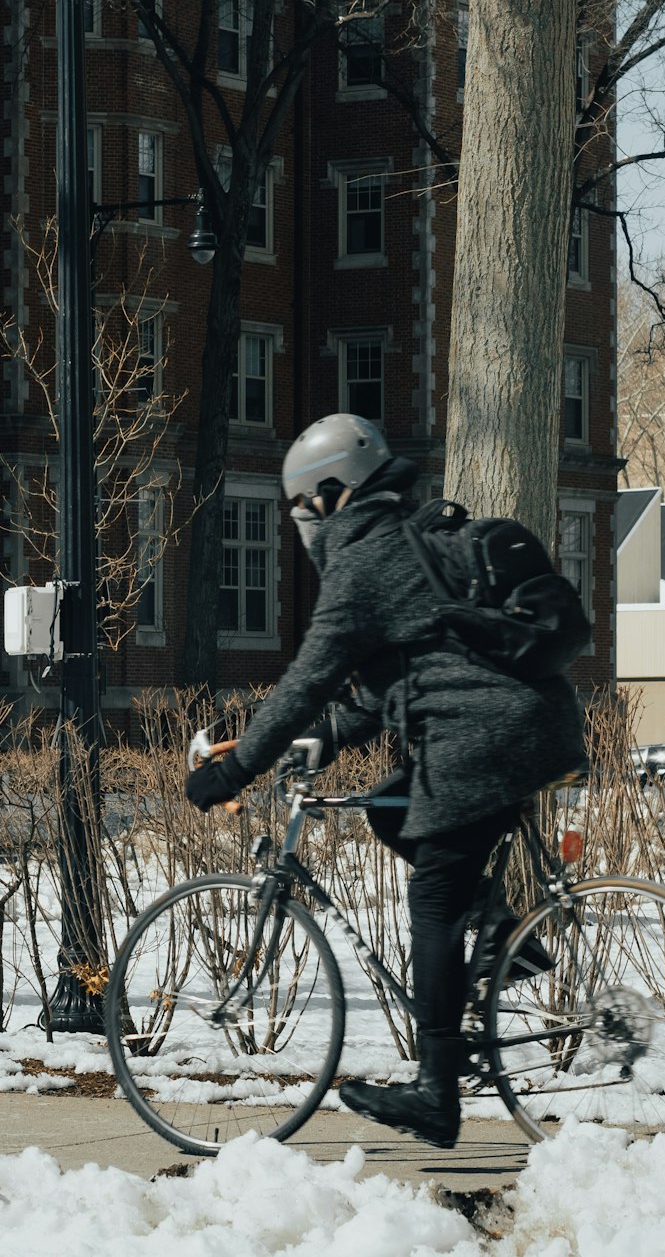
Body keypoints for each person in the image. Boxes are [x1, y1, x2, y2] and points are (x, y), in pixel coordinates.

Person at [185, 413, 586, 1149]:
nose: (302, 521)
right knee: (388, 810)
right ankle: (507, 934)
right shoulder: (410, 538)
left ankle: (437, 1093)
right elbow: (387, 686)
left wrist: (236, 768)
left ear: (333, 494)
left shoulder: (363, 561)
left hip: (480, 740)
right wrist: (325, 738)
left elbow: (310, 676)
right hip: (528, 722)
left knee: (433, 898)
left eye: (303, 504)